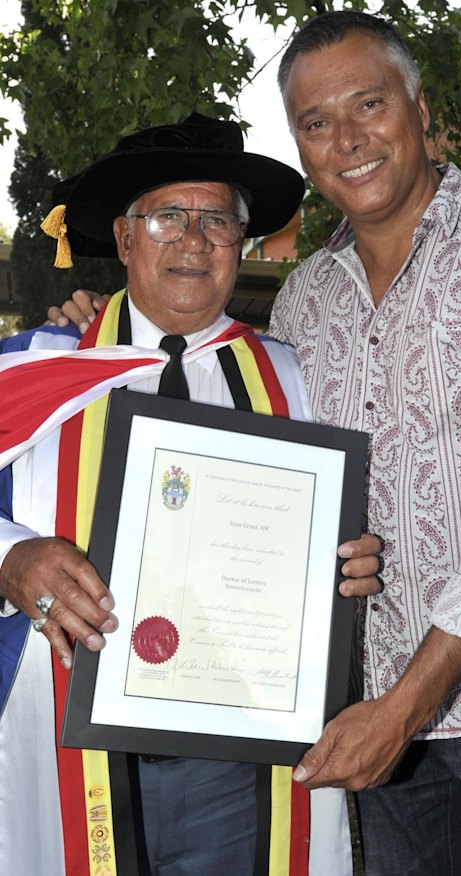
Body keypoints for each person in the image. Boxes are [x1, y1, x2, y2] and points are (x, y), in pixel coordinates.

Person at [54, 11, 461, 875]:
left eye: (368, 104)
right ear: (301, 149)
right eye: (315, 123)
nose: (348, 139)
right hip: (366, 712)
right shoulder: (306, 306)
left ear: (417, 109)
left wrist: (400, 711)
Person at [0, 110, 381, 876]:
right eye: (168, 216)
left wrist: (356, 564)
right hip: (62, 736)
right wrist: (11, 559)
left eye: (217, 220)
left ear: (240, 243)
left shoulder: (302, 378)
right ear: (125, 234)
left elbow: (344, 540)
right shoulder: (29, 367)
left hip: (246, 762)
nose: (194, 239)